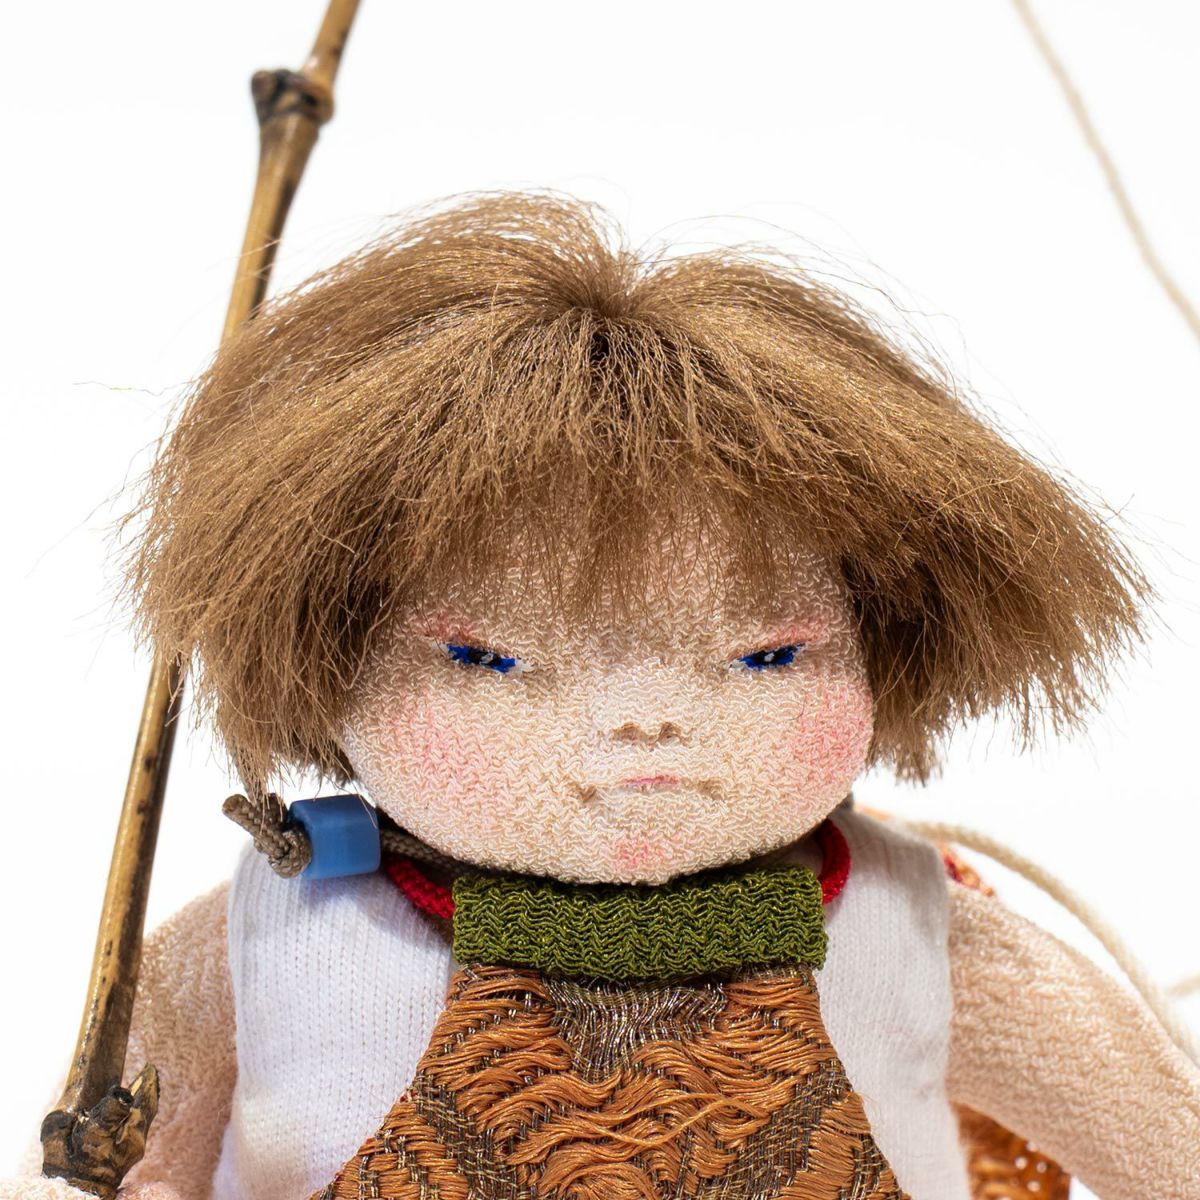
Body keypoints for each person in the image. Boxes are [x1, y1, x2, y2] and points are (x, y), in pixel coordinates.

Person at [10, 191, 1199, 1199]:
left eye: (768, 658)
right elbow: (125, 1152)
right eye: (487, 660)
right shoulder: (278, 935)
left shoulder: (905, 921)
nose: (641, 724)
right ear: (326, 651)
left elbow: (1156, 1138)